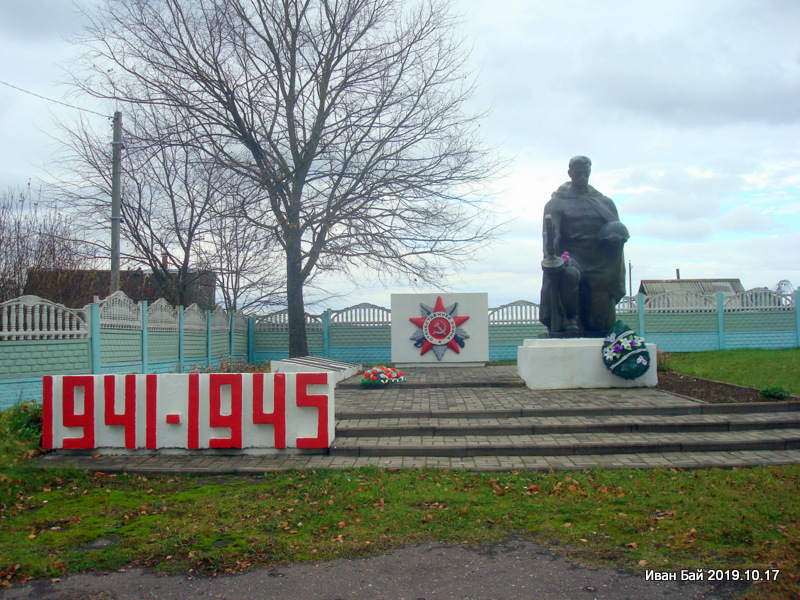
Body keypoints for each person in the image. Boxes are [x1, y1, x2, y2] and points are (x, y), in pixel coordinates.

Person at [540, 156, 628, 337]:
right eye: (577, 173)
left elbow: (616, 229)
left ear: (589, 173)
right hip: (571, 257)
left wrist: (616, 237)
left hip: (600, 262)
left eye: (585, 173)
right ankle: (569, 319)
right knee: (569, 274)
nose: (581, 177)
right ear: (570, 173)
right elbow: (551, 234)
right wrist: (552, 250)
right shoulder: (557, 203)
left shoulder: (604, 203)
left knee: (600, 325)